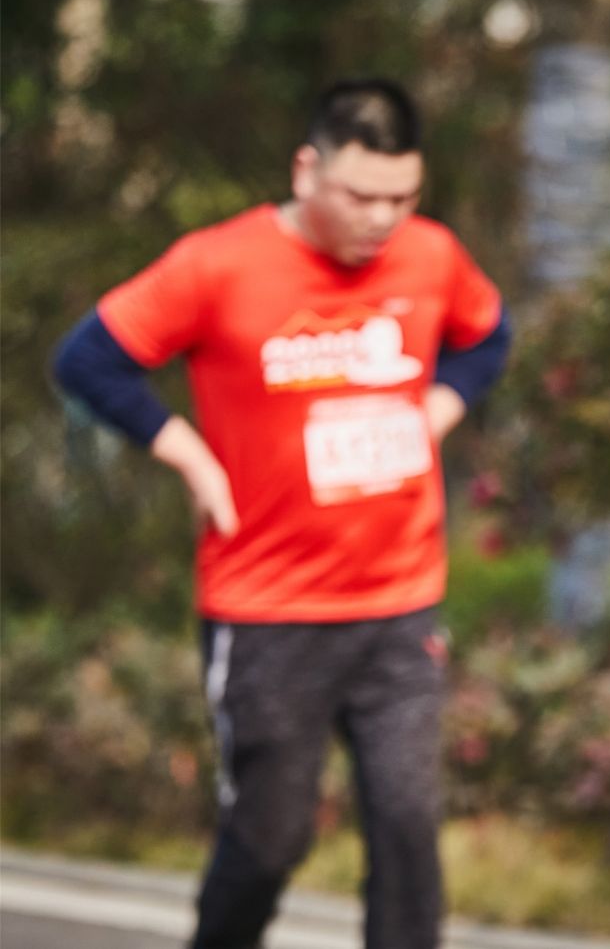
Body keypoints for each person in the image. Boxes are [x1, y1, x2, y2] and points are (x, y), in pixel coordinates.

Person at [52, 78, 510, 949]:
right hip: (267, 610)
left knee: (409, 833)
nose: (384, 218)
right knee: (272, 836)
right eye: (361, 196)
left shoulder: (432, 255)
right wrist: (187, 454)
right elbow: (89, 360)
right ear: (308, 170)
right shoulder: (216, 265)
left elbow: (488, 336)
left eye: (403, 197)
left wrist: (439, 409)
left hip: (399, 601)